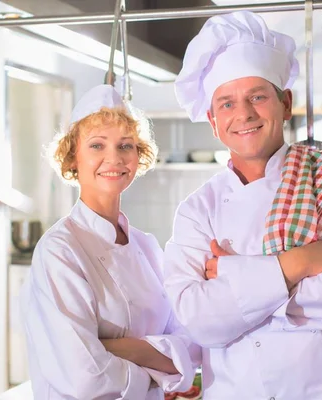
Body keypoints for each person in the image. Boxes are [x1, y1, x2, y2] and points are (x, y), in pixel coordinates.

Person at [164, 11, 322, 400]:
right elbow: (201, 323)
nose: (242, 114)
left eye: (257, 97)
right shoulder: (197, 211)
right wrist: (301, 263)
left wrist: (240, 287)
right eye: (226, 104)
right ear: (212, 121)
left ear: (285, 103)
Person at [19, 84, 201, 400]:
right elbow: (84, 377)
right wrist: (160, 370)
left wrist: (112, 349)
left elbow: (191, 341)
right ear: (72, 157)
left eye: (125, 145)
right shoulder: (59, 251)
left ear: (138, 155)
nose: (113, 158)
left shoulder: (145, 246)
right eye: (97, 146)